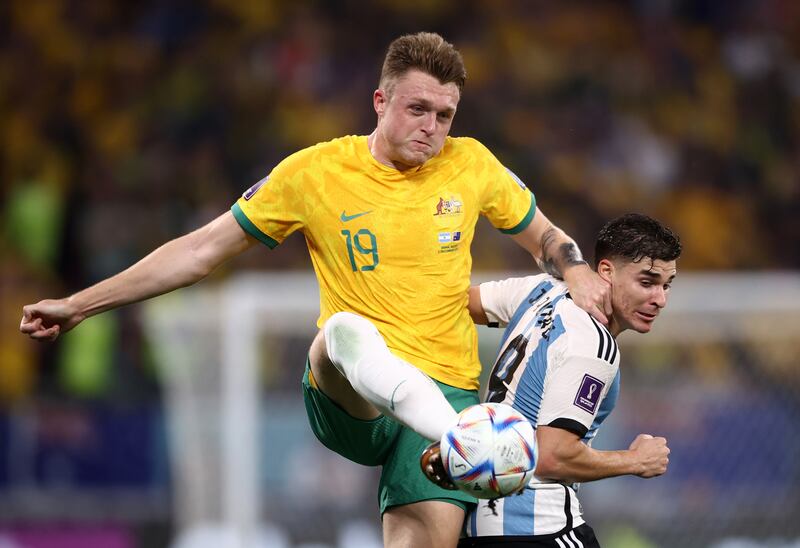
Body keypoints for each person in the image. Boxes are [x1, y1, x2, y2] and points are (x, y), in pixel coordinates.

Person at [20, 32, 611, 548]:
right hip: (348, 393)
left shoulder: (472, 165)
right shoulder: (315, 173)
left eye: (445, 115)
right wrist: (79, 304)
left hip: (446, 391)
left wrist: (578, 270)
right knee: (343, 332)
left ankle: (450, 432)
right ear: (380, 102)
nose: (431, 128)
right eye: (417, 109)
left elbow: (544, 237)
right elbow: (200, 251)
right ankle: (462, 439)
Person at [425, 213, 681, 547]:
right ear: (606, 272)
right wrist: (635, 461)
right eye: (646, 282)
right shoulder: (593, 344)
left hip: (479, 527)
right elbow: (552, 456)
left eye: (666, 285)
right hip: (538, 529)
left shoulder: (541, 289)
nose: (659, 299)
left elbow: (456, 305)